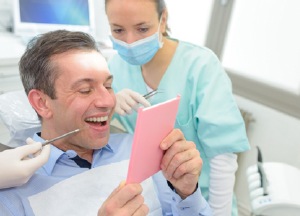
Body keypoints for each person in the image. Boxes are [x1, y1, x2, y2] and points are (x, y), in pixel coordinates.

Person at [0, 30, 212, 216]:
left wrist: (186, 193)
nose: (108, 101)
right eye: (85, 90)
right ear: (42, 103)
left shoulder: (137, 149)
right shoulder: (13, 192)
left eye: (108, 86)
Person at [105, 0, 250, 215]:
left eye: (142, 29)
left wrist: (219, 212)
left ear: (163, 20)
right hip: (153, 197)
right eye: (118, 30)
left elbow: (223, 156)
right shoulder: (116, 66)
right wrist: (110, 105)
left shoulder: (200, 66)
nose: (130, 41)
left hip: (203, 197)